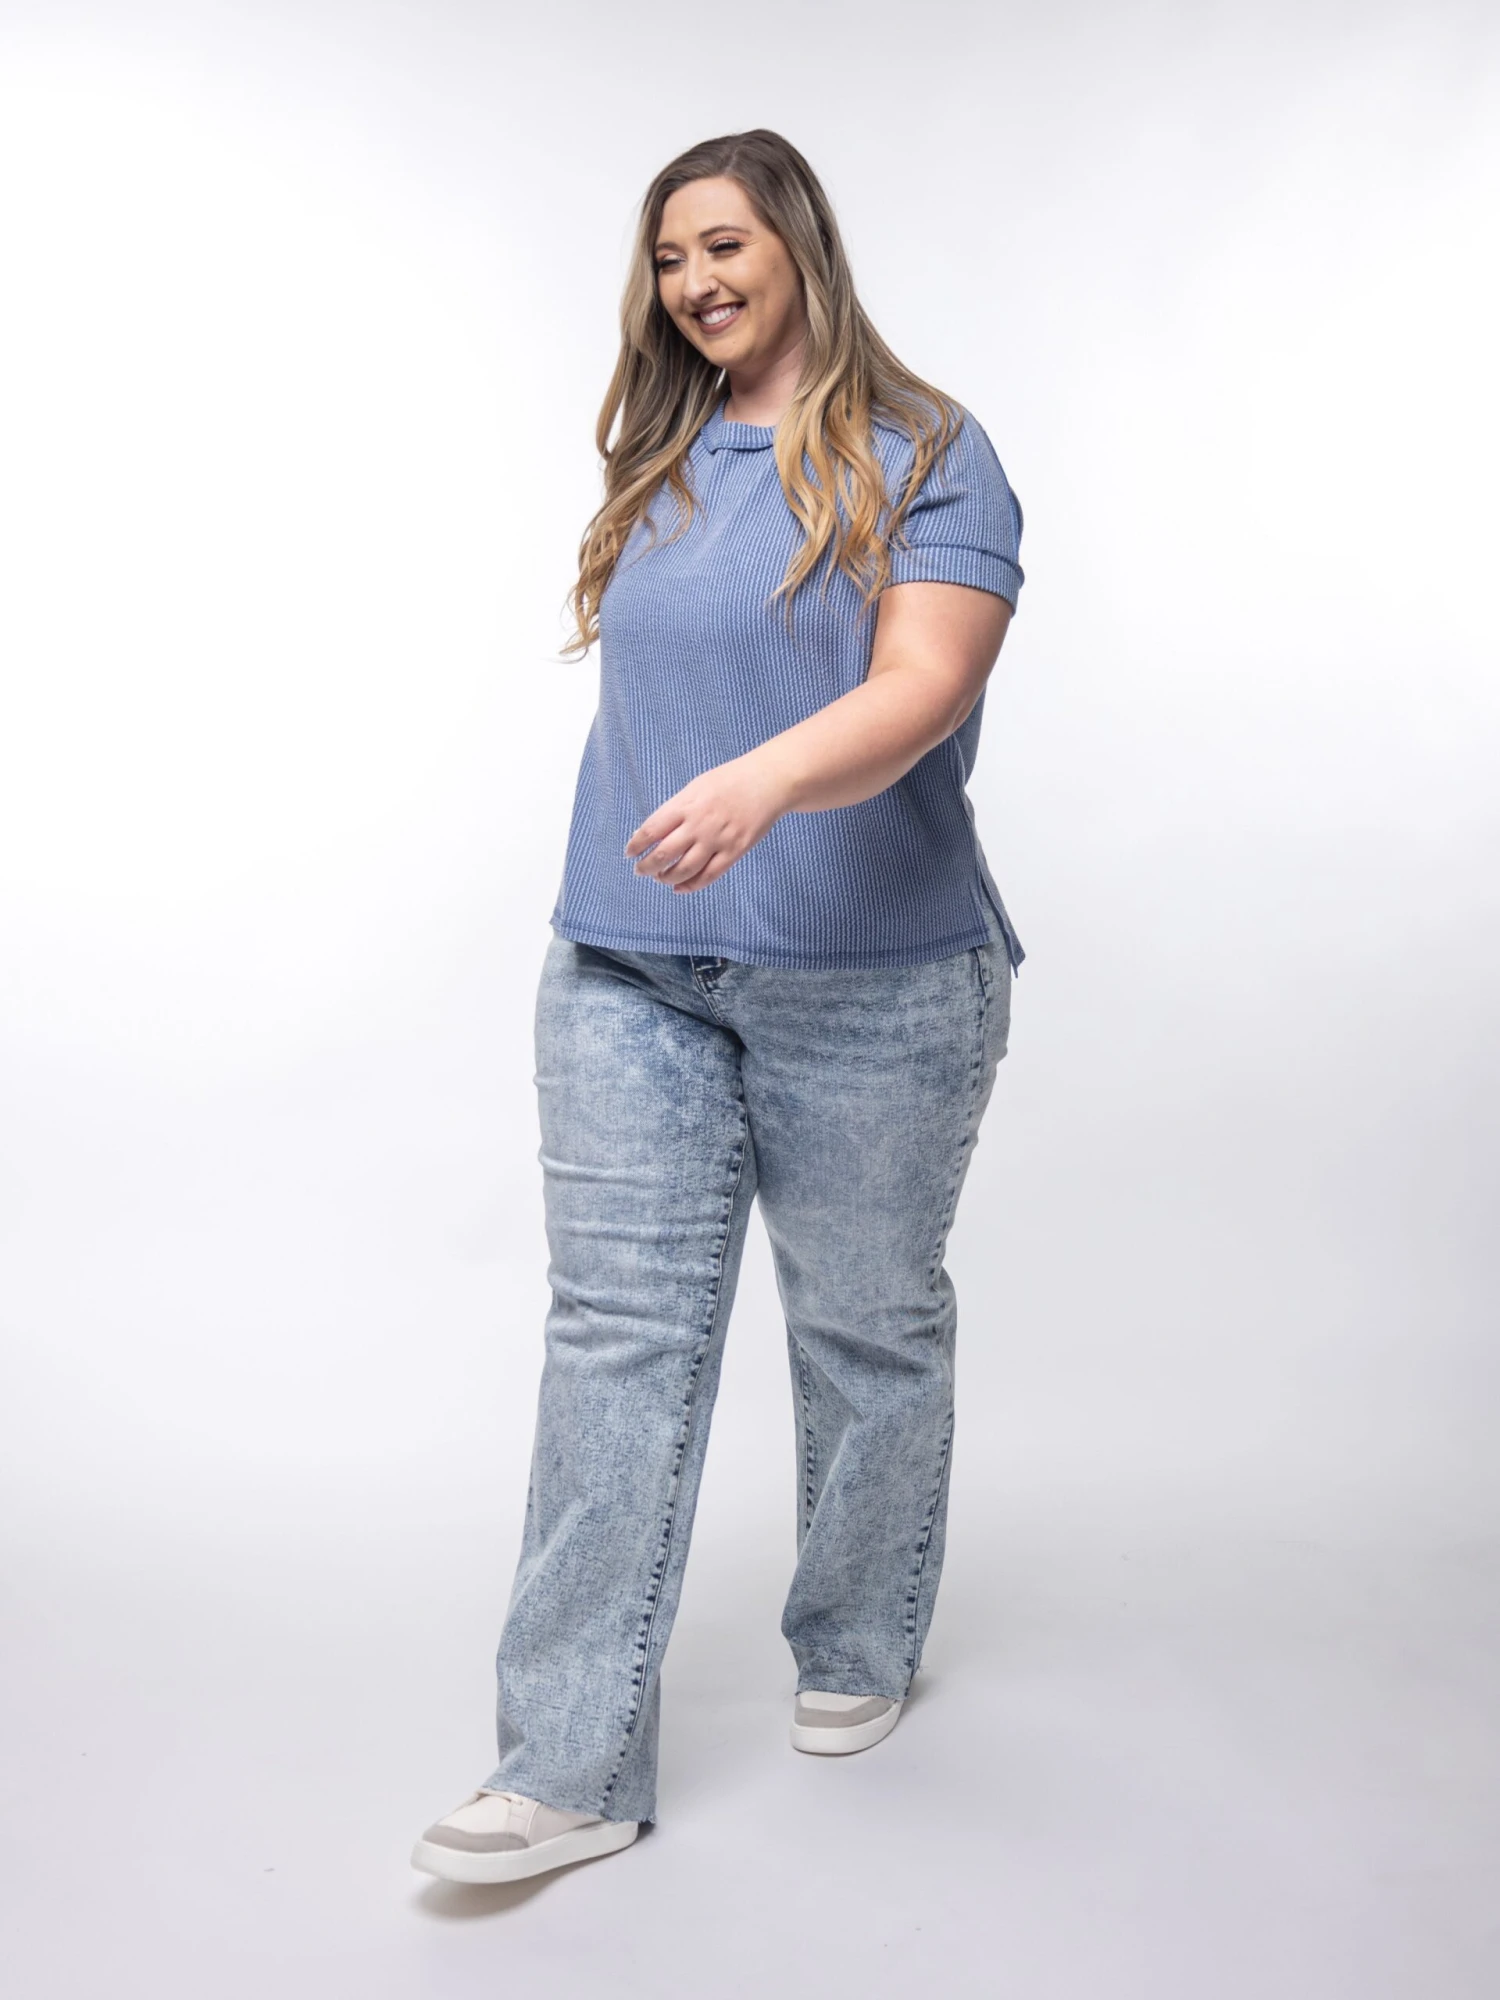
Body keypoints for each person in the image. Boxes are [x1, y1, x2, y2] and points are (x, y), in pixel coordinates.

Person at [412, 127, 1025, 1887]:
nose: (694, 282)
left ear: (800, 247)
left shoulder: (930, 449)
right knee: (616, 1339)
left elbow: (925, 682)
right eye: (671, 256)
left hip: (875, 978)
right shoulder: (667, 456)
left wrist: (765, 784)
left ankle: (858, 1638)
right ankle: (567, 1768)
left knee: (865, 1325)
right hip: (627, 964)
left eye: (725, 244)